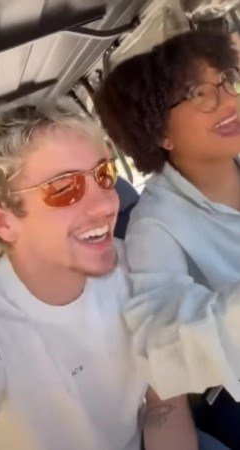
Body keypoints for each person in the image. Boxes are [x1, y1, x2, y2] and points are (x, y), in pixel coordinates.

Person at [0, 107, 219, 449]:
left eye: (104, 175)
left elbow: (164, 406)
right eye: (64, 188)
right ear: (3, 220)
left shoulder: (135, 266)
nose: (106, 205)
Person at [94, 29, 240, 448]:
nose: (228, 100)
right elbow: (160, 340)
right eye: (199, 94)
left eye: (226, 81)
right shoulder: (153, 225)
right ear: (160, 133)